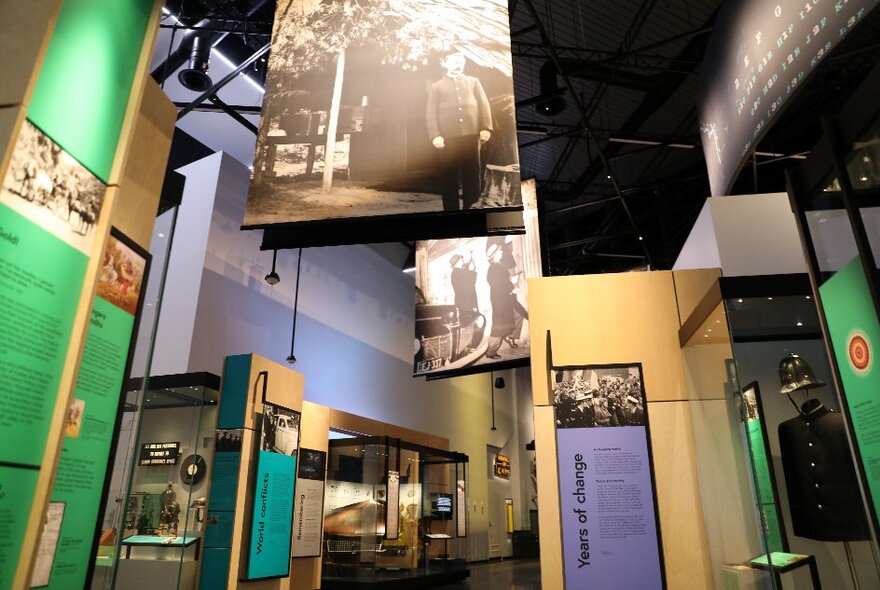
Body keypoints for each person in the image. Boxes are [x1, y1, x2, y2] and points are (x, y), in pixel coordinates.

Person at [426, 51, 493, 211]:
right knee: (448, 174)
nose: (459, 64)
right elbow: (431, 113)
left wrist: (486, 127)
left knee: (472, 172)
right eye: (455, 61)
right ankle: (451, 211)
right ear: (445, 63)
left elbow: (484, 105)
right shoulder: (437, 87)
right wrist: (435, 135)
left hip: (471, 135)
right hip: (447, 138)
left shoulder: (473, 82)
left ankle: (472, 208)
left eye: (461, 61)